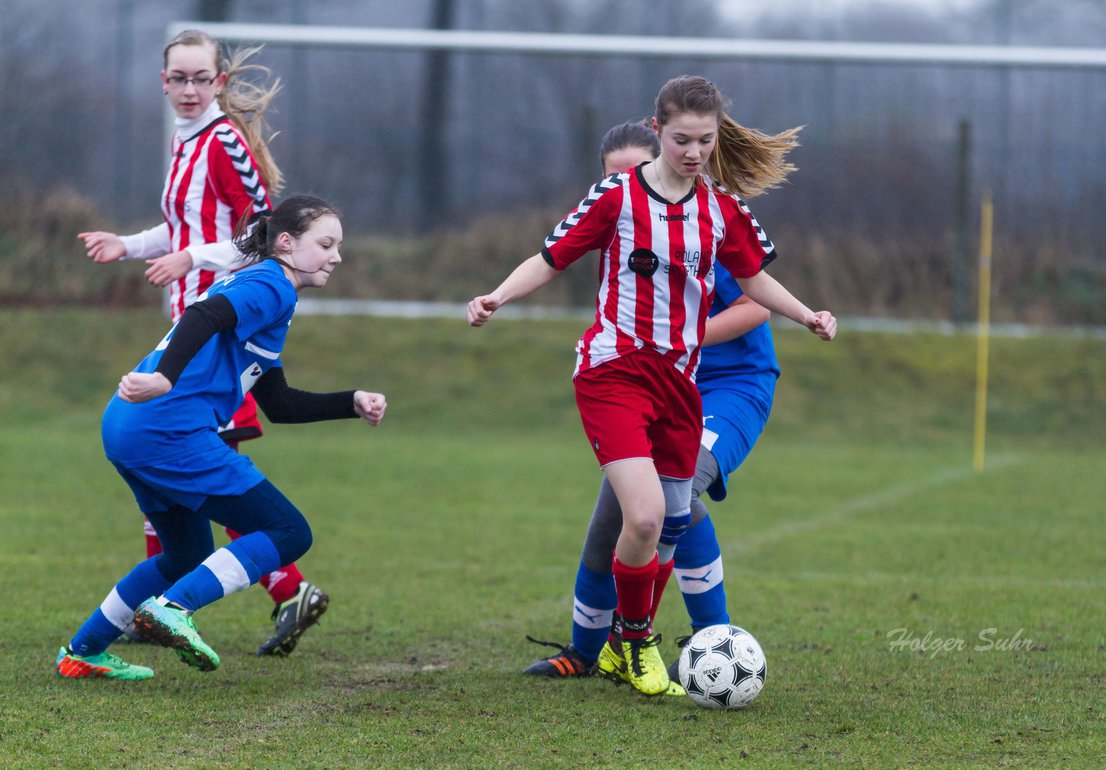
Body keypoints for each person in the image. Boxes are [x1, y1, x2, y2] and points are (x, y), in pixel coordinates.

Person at [468, 76, 837, 696]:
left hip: (692, 384)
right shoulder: (616, 199)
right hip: (615, 371)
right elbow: (550, 256)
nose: (693, 152)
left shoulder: (722, 210)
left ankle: (627, 645)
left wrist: (808, 314)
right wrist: (496, 296)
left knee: (660, 519)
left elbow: (754, 286)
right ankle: (637, 644)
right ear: (658, 131)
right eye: (681, 140)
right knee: (641, 517)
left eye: (705, 141)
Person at [56, 195, 387, 680]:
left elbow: (279, 403)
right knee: (290, 531)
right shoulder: (274, 283)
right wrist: (166, 379)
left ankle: (82, 651)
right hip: (167, 428)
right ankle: (173, 609)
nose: (336, 256)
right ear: (288, 243)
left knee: (185, 555)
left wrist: (351, 401)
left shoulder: (268, 293)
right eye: (327, 243)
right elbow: (203, 316)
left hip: (130, 426)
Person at [76, 29, 328, 657]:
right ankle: (178, 608)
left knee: (199, 485)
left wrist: (191, 258)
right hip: (192, 340)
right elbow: (184, 223)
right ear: (163, 83)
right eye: (177, 79)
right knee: (184, 491)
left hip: (221, 335)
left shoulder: (223, 143)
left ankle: (262, 593)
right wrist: (131, 245)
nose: (188, 89)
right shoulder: (184, 142)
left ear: (219, 82)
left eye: (200, 78)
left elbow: (265, 230)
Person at [523, 120, 780, 688]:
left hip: (730, 386)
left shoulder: (704, 220)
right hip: (645, 385)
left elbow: (757, 307)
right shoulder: (621, 215)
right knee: (612, 520)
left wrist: (674, 337)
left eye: (630, 173)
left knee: (679, 498)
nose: (623, 186)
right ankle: (586, 650)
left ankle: (716, 642)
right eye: (610, 177)